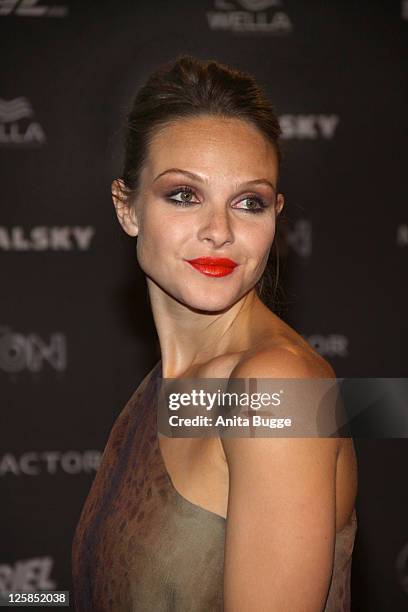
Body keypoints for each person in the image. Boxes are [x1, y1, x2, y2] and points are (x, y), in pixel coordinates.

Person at [71, 54, 358, 611]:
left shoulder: (275, 387)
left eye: (248, 203)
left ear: (275, 216)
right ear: (126, 207)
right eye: (184, 194)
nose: (220, 231)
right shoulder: (165, 386)